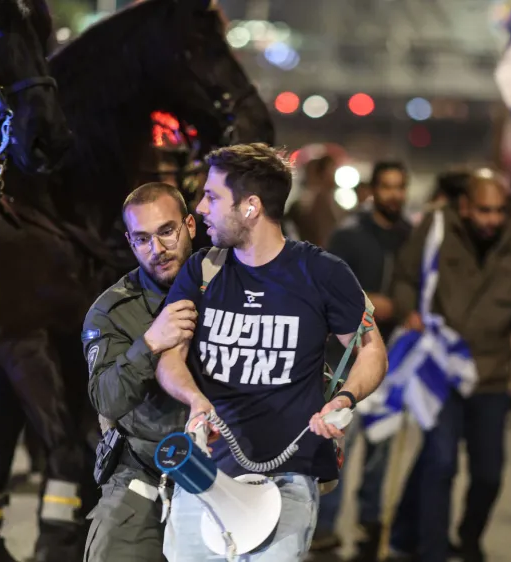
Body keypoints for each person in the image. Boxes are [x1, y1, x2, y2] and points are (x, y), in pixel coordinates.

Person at [156, 143, 388, 561]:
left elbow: (371, 351)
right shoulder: (202, 269)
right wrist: (193, 399)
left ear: (251, 206)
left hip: (289, 478)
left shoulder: (322, 272)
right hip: (205, 469)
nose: (201, 208)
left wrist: (344, 399)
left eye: (212, 197)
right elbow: (170, 355)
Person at [387, 170, 511, 562]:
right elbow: (404, 278)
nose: (493, 220)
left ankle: (468, 539)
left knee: (488, 473)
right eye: (484, 211)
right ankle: (430, 551)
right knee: (440, 463)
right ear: (465, 206)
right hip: (439, 366)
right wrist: (408, 310)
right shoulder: (435, 226)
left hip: (491, 373)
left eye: (500, 211)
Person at [80, 183, 198, 561]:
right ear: (130, 243)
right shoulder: (111, 311)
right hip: (146, 471)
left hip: (225, 472)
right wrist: (149, 344)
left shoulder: (229, 283)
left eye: (167, 231)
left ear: (190, 225)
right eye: (143, 239)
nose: (157, 249)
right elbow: (106, 399)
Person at [312, 161, 412, 560]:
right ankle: (324, 531)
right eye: (387, 186)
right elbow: (329, 287)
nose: (394, 195)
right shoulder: (348, 235)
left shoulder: (411, 237)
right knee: (340, 445)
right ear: (372, 190)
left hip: (396, 359)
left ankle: (370, 526)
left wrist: (402, 308)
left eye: (400, 186)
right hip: (346, 362)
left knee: (382, 448)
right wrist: (371, 303)